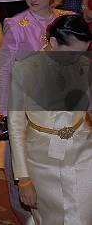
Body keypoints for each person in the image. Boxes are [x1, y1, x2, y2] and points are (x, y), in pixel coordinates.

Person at [0, 0, 70, 224]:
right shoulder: (17, 24)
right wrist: (6, 111)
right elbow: (4, 68)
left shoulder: (67, 20)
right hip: (28, 106)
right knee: (23, 164)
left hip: (65, 106)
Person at [9, 14, 92, 224]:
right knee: (50, 218)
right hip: (41, 159)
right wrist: (23, 178)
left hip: (83, 152)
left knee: (83, 215)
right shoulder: (24, 69)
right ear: (54, 42)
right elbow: (16, 126)